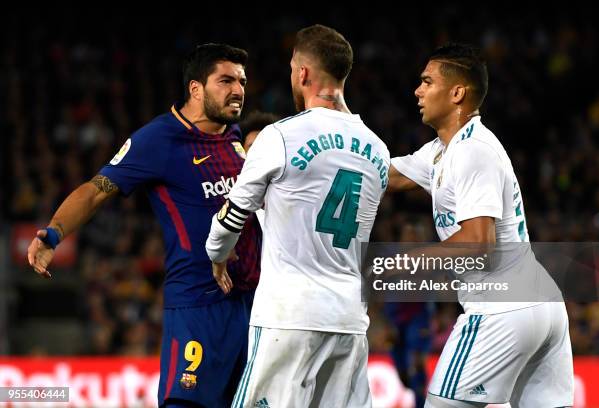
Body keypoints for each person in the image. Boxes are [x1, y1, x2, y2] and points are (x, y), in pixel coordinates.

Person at [27, 43, 262, 408]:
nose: (238, 90)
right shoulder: (158, 140)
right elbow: (95, 191)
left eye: (242, 81)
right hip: (197, 306)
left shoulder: (236, 139)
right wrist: (54, 233)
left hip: (251, 307)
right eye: (226, 80)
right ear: (195, 88)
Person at [206, 24, 390, 407]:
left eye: (293, 68)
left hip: (288, 316)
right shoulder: (378, 150)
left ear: (303, 72)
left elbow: (231, 215)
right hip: (349, 321)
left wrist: (216, 256)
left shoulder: (280, 136)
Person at [388, 44, 574, 407]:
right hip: (541, 304)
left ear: (457, 93)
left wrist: (407, 261)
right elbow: (389, 176)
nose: (418, 91)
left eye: (427, 82)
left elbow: (477, 242)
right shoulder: (442, 151)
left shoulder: (473, 150)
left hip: (501, 307)